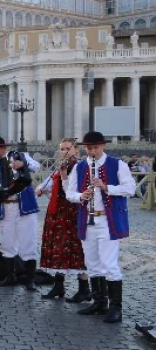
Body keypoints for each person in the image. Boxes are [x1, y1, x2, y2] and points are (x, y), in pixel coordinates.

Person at [65, 131, 136, 323]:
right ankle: (99, 303)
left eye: (95, 147)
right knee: (92, 264)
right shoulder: (80, 167)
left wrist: (107, 187)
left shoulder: (117, 164)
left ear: (103, 146)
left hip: (107, 221)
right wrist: (81, 196)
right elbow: (69, 194)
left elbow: (131, 188)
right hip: (87, 221)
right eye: (89, 148)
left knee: (109, 264)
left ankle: (116, 308)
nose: (92, 151)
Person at [0, 137, 41, 290]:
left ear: (3, 148)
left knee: (28, 242)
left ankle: (30, 280)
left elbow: (37, 167)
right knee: (8, 243)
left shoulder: (20, 156)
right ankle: (10, 276)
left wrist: (23, 164)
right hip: (6, 207)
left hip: (24, 207)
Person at [35, 138, 89, 300]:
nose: (64, 151)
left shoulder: (81, 166)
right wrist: (41, 189)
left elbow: (72, 190)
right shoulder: (62, 166)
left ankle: (84, 289)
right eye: (62, 149)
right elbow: (50, 182)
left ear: (76, 149)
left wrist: (64, 175)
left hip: (72, 212)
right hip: (57, 212)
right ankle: (59, 286)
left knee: (75, 249)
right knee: (58, 247)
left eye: (67, 148)